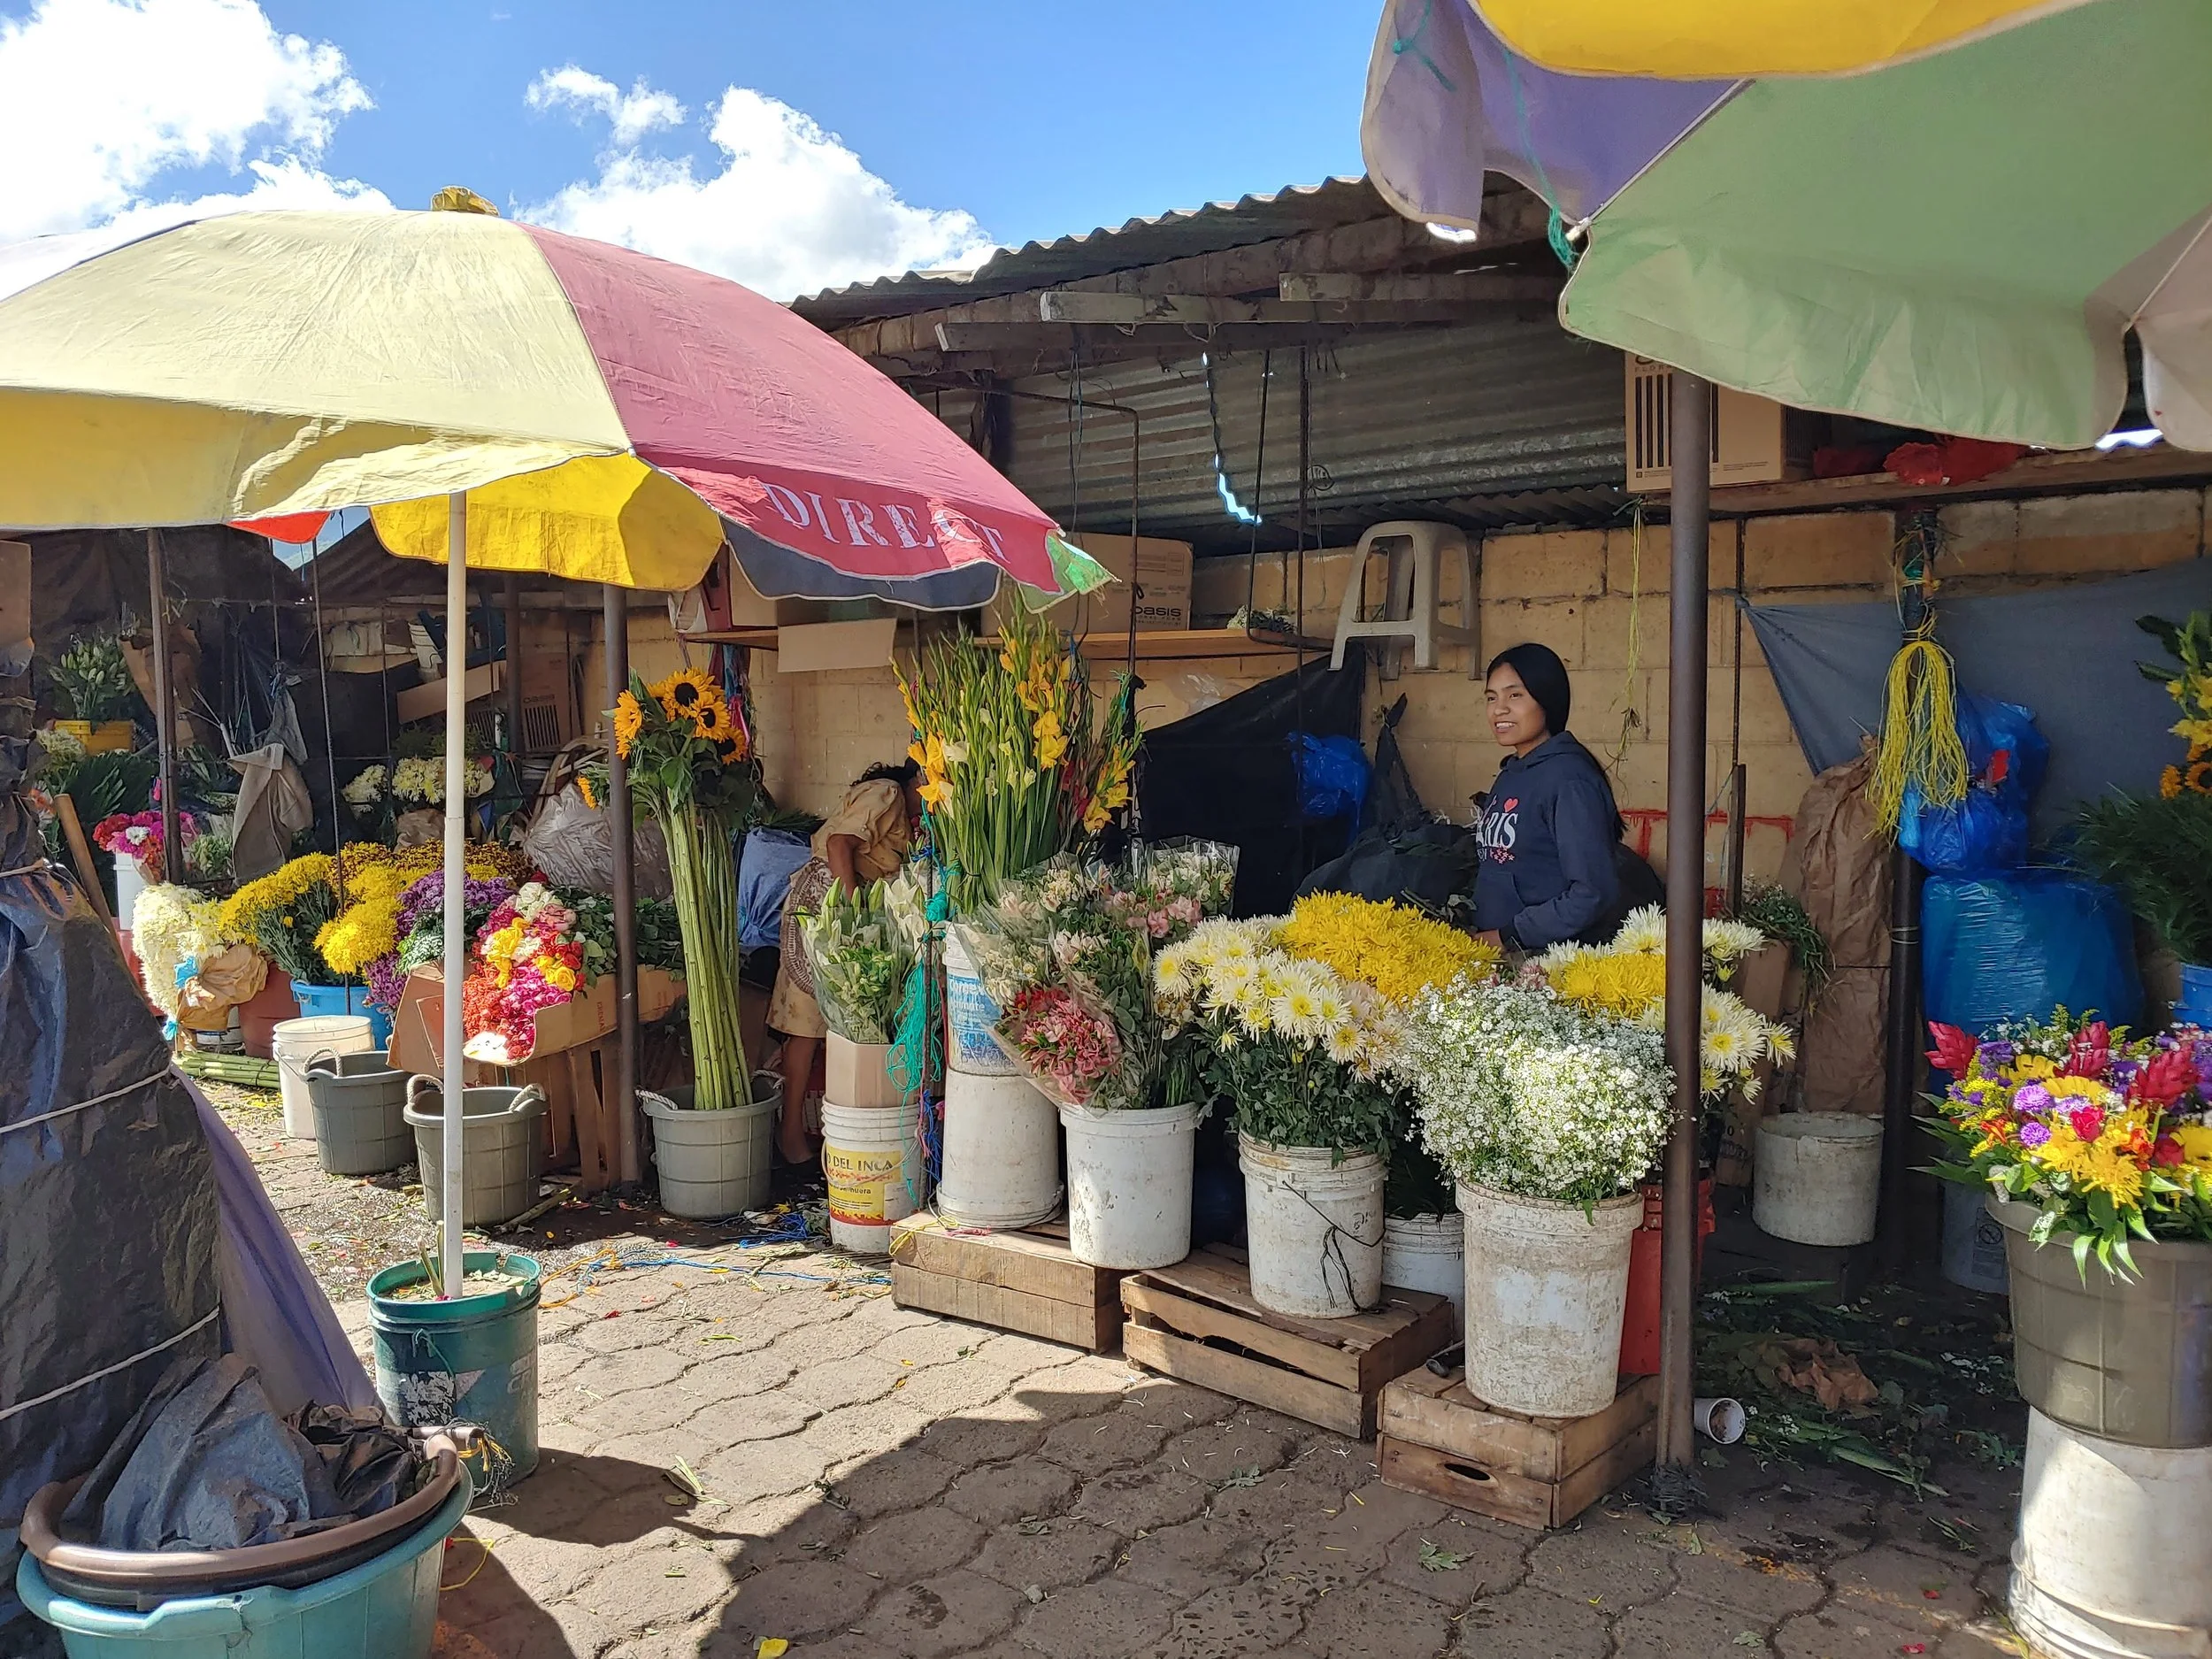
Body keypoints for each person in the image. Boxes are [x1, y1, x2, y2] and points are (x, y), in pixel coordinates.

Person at [767, 758, 924, 1164]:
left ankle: (822, 1138)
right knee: (807, 1024)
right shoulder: (888, 792)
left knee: (830, 1022)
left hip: (845, 906)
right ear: (918, 779)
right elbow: (839, 844)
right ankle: (791, 1138)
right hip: (830, 907)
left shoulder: (903, 811)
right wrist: (852, 913)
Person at [1472, 642, 1625, 952]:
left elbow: (1592, 892)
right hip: (1502, 958)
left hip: (1546, 963)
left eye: (1515, 695)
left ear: (1547, 699)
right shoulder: (1511, 774)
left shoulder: (1569, 779)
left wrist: (1509, 936)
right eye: (1492, 697)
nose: (1499, 709)